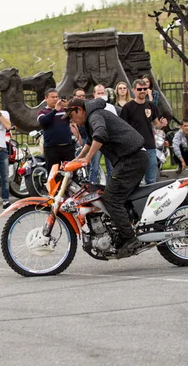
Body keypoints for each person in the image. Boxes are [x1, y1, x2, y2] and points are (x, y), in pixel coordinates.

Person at [65, 97, 148, 258]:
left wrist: (87, 159)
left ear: (79, 110)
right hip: (130, 158)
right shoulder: (92, 117)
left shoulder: (95, 116)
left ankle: (131, 239)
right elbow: (90, 141)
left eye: (71, 116)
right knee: (116, 195)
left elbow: (100, 134)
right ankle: (125, 228)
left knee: (111, 198)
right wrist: (77, 160)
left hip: (131, 159)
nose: (72, 120)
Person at [120, 79, 168, 184]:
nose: (142, 91)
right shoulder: (128, 107)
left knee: (151, 179)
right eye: (139, 89)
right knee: (135, 179)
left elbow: (156, 125)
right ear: (133, 90)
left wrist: (162, 124)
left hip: (150, 146)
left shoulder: (151, 106)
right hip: (135, 148)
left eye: (144, 89)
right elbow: (123, 128)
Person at [37, 88, 75, 173]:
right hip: (52, 148)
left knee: (71, 172)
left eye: (56, 97)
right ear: (46, 98)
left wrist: (68, 106)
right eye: (52, 97)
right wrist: (55, 110)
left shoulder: (64, 110)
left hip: (67, 146)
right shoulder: (42, 112)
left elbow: (75, 116)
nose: (55, 99)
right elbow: (43, 121)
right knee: (53, 174)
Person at [88, 84, 114, 182]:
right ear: (94, 94)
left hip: (109, 141)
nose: (101, 95)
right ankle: (92, 186)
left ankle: (111, 188)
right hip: (96, 140)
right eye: (98, 93)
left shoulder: (110, 107)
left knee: (111, 168)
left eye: (102, 93)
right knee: (94, 167)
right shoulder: (90, 107)